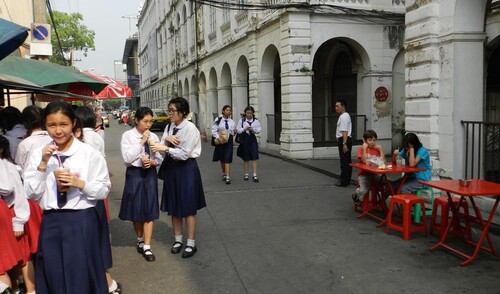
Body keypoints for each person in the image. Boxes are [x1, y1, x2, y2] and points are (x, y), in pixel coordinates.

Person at [24, 101, 111, 293]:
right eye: (51, 125)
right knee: (54, 275)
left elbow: (103, 189)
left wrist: (79, 184)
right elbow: (31, 192)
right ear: (45, 126)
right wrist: (43, 164)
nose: (58, 131)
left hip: (81, 221)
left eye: (63, 124)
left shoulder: (88, 154)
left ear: (73, 124)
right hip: (52, 221)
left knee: (81, 275)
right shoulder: (39, 154)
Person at [152, 97, 206, 258]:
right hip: (172, 170)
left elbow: (184, 154)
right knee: (174, 206)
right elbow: (160, 148)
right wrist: (166, 141)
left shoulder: (190, 129)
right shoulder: (169, 126)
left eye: (172, 111)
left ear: (182, 112)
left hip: (187, 168)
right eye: (169, 110)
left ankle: (191, 243)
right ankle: (178, 239)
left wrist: (166, 148)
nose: (170, 114)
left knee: (188, 207)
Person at [75, 106, 121, 293]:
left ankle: (106, 282)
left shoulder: (84, 144)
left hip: (88, 191)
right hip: (96, 188)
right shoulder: (97, 135)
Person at [118, 107, 162, 262]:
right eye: (145, 121)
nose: (148, 125)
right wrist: (142, 141)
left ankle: (147, 247)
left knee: (150, 208)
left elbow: (159, 156)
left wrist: (154, 161)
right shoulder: (128, 136)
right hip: (134, 175)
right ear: (137, 120)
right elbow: (127, 158)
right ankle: (140, 239)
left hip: (150, 174)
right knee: (136, 211)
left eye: (151, 121)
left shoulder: (154, 135)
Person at [0, 135, 32, 294]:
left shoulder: (8, 166)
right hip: (10, 213)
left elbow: (11, 189)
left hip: (13, 213)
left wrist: (19, 220)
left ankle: (30, 289)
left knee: (19, 257)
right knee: (9, 260)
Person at [351, 130, 384, 205]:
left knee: (388, 187)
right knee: (364, 190)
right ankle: (356, 194)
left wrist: (380, 149)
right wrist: (365, 148)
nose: (372, 142)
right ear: (365, 140)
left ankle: (379, 202)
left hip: (376, 174)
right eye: (370, 140)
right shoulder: (361, 149)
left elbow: (382, 161)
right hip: (364, 174)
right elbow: (364, 161)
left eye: (374, 140)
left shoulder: (376, 149)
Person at [15, 105, 53, 170]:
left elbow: (19, 168)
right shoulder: (54, 139)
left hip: (30, 178)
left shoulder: (24, 143)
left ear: (25, 122)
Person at [236, 106, 261, 182]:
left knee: (254, 156)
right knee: (245, 157)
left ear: (253, 113)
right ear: (245, 113)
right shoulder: (242, 121)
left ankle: (254, 174)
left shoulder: (256, 121)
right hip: (245, 139)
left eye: (250, 113)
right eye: (247, 113)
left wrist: (252, 129)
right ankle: (246, 174)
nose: (249, 114)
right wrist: (244, 128)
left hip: (252, 138)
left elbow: (259, 130)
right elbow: (238, 130)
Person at [212, 105, 235, 184]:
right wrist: (219, 137)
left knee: (227, 157)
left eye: (230, 110)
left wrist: (234, 131)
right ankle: (224, 173)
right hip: (221, 140)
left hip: (229, 141)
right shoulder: (218, 120)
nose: (229, 112)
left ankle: (228, 176)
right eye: (227, 110)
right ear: (223, 111)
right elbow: (214, 130)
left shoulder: (231, 121)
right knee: (222, 158)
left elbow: (232, 132)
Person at [335, 99, 352, 187]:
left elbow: (344, 131)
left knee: (344, 161)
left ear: (343, 107)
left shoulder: (343, 117)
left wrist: (344, 143)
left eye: (338, 106)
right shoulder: (345, 116)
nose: (336, 108)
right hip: (345, 139)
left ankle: (344, 180)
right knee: (347, 160)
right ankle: (346, 179)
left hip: (344, 139)